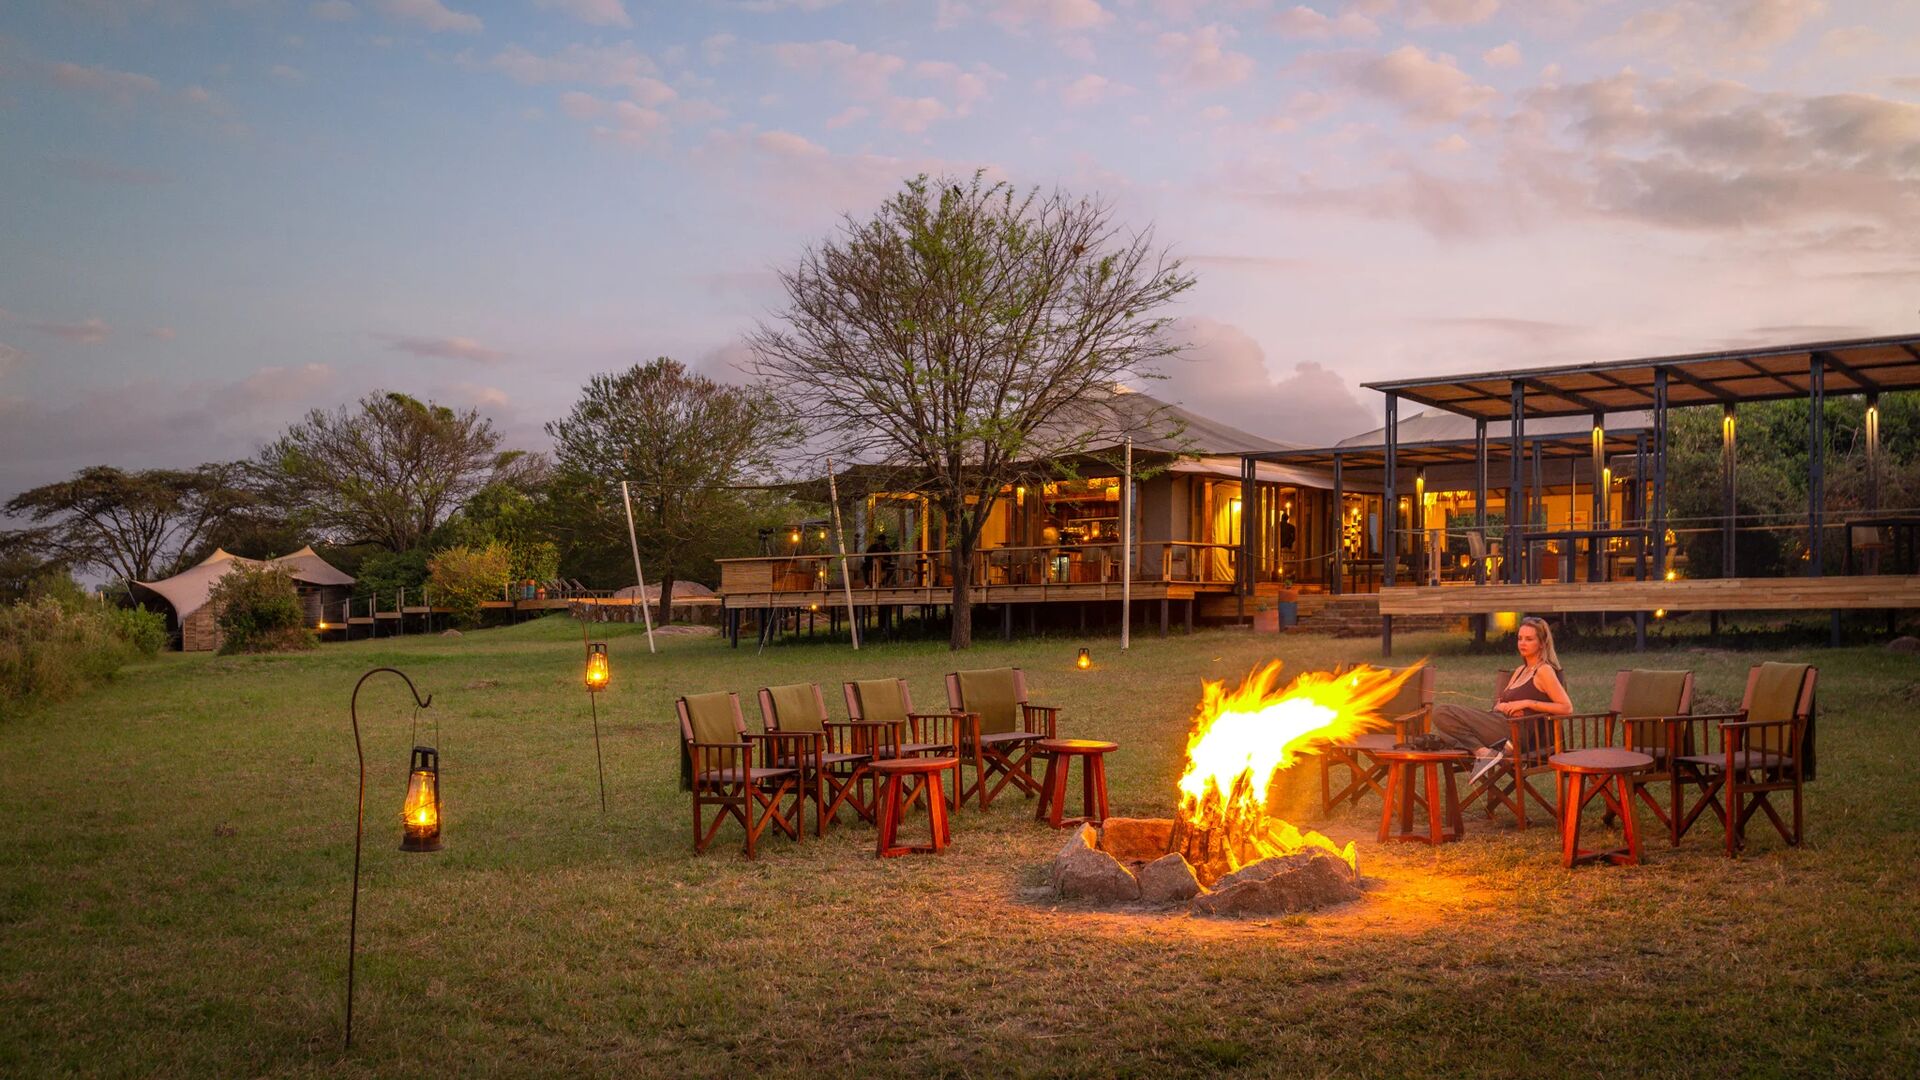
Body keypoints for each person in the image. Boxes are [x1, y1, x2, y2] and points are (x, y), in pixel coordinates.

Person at [1431, 615, 1573, 784]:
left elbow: (1566, 708)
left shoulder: (1544, 671)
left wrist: (1526, 703)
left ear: (1542, 643)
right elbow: (1501, 702)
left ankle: (1483, 753)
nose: (1522, 643)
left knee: (1443, 712)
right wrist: (1502, 706)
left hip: (1515, 733)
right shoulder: (1520, 670)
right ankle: (1484, 752)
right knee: (1444, 726)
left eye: (1529, 639)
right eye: (1520, 638)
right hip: (1500, 723)